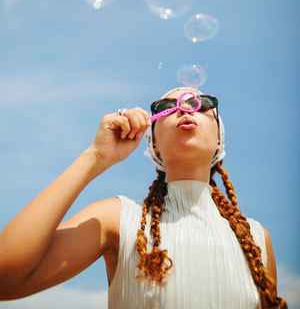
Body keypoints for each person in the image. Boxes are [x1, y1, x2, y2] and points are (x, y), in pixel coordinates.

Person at [0, 86, 287, 309]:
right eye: (167, 106)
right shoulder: (117, 219)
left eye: (201, 103)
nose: (184, 109)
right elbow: (6, 278)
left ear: (220, 140)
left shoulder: (256, 238)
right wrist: (95, 157)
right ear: (155, 146)